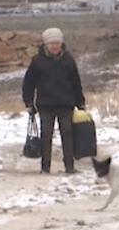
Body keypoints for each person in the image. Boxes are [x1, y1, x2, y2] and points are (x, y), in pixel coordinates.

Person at [21, 27, 86, 174]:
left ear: (61, 43)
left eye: (57, 43)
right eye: (52, 44)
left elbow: (76, 82)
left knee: (68, 136)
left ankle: (69, 166)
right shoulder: (38, 61)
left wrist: (80, 101)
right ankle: (45, 167)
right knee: (46, 136)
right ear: (46, 45)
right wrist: (29, 103)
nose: (55, 46)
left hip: (66, 104)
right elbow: (28, 84)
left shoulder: (69, 60)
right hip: (46, 105)